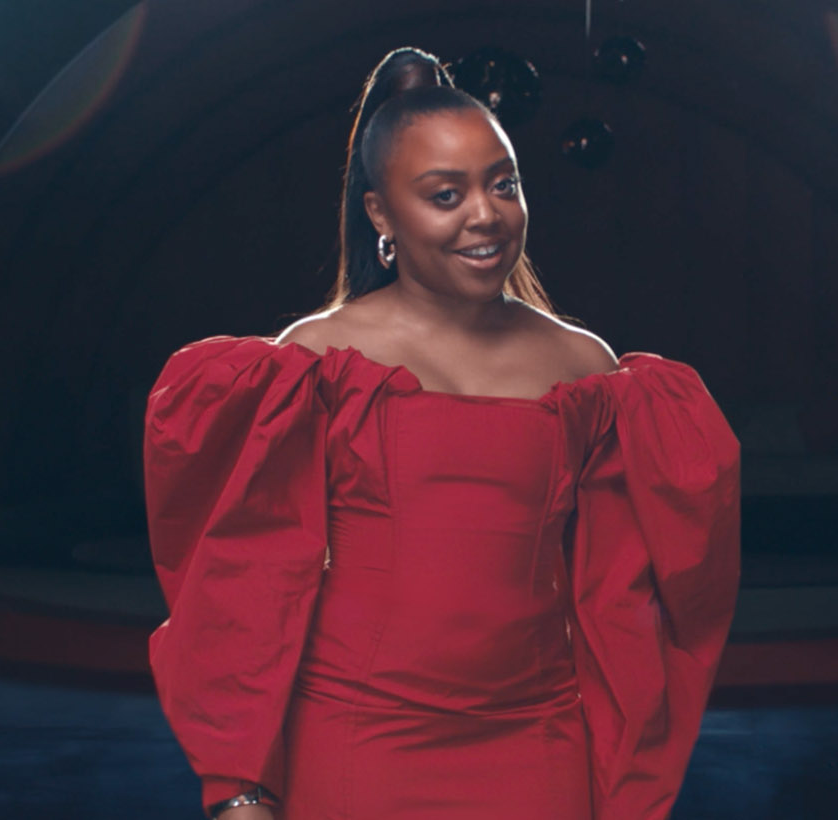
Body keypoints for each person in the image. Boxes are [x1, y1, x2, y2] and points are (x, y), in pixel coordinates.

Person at [142, 46, 741, 820]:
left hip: (537, 743)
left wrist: (624, 775)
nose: (485, 215)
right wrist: (241, 787)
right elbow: (244, 580)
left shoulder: (587, 368)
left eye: (504, 183)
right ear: (380, 214)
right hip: (357, 738)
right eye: (445, 194)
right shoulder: (312, 363)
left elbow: (621, 596)